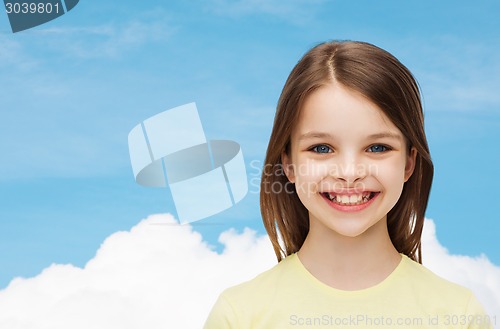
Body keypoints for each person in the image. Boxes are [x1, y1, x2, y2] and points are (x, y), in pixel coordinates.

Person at [204, 40, 492, 328]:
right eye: (321, 148)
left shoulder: (459, 315)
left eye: (378, 148)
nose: (349, 172)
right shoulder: (239, 315)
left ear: (409, 163)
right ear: (288, 164)